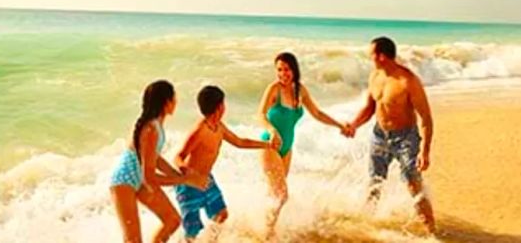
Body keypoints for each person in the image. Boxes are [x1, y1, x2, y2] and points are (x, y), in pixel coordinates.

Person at [346, 37, 436, 234]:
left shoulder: (408, 81)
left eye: (372, 54)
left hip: (406, 138)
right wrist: (354, 124)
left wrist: (424, 151)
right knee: (374, 182)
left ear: (382, 56)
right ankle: (366, 226)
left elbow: (426, 118)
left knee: (413, 183)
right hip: (379, 136)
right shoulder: (375, 76)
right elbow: (369, 108)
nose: (370, 58)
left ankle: (431, 231)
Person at [258, 52, 351, 237]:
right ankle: (268, 235)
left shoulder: (300, 90)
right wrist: (272, 130)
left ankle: (265, 230)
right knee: (282, 195)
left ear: (294, 70)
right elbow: (261, 114)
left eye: (286, 69)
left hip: (287, 149)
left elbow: (317, 113)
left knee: (275, 193)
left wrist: (339, 125)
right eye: (279, 70)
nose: (282, 74)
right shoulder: (273, 89)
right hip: (270, 145)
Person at [110, 80, 207, 243]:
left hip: (139, 182)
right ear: (166, 102)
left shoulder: (157, 126)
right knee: (133, 240)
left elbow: (156, 159)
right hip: (123, 183)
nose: (176, 102)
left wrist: (179, 176)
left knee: (173, 220)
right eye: (174, 98)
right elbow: (149, 177)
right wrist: (184, 179)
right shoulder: (150, 129)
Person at [174, 85, 273, 242]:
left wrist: (267, 145)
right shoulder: (200, 131)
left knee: (221, 214)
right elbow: (179, 157)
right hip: (189, 185)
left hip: (207, 180)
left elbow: (240, 142)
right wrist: (190, 174)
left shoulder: (219, 127)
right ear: (219, 107)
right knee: (191, 232)